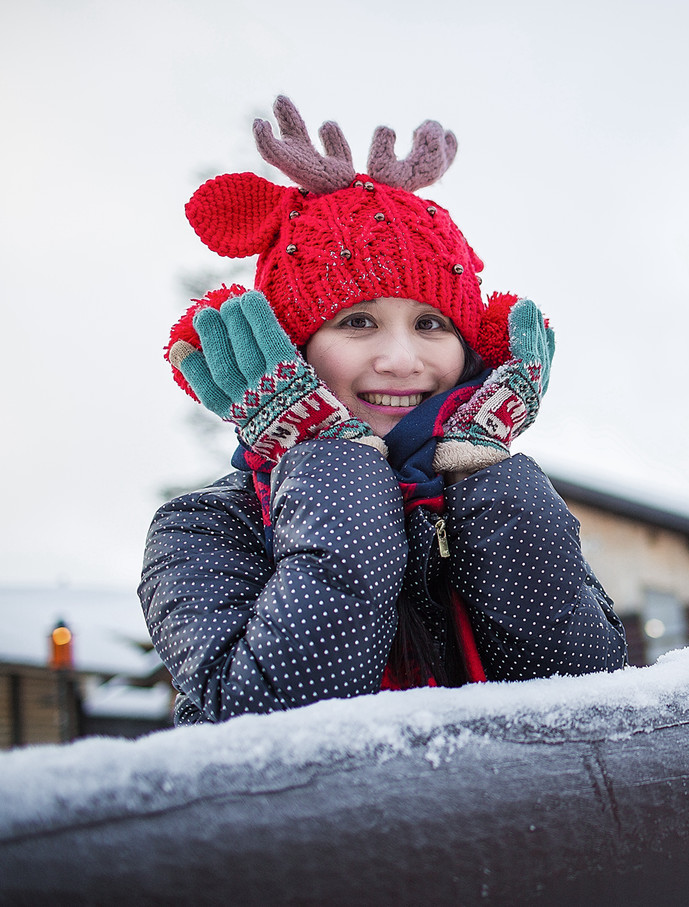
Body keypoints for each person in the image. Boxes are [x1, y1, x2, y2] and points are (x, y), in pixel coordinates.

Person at [140, 96, 627, 725]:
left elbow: (591, 697)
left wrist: (489, 481)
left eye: (430, 323)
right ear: (288, 346)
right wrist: (329, 457)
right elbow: (267, 725)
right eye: (359, 322)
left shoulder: (496, 489)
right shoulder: (205, 531)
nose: (401, 359)